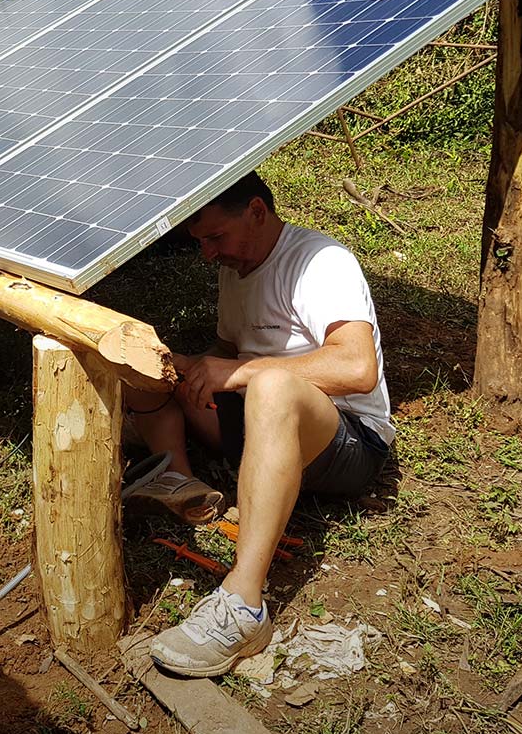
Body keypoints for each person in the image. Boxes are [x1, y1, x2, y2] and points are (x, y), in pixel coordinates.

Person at [125, 171, 394, 677]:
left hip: (347, 439)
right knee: (147, 363)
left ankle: (244, 604)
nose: (208, 254)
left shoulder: (320, 261)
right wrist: (190, 367)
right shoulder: (236, 266)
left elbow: (357, 368)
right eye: (200, 242)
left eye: (215, 237)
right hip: (260, 424)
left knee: (271, 385)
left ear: (256, 211)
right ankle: (178, 480)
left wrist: (244, 373)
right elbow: (230, 351)